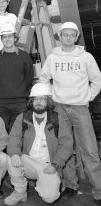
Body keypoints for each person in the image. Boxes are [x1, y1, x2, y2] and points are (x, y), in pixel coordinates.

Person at [40, 21, 101, 205]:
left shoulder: (86, 57)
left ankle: (98, 191)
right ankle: (71, 185)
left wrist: (87, 97)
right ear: (59, 37)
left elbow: (97, 79)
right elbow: (44, 78)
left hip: (80, 108)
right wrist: (52, 95)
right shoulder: (53, 57)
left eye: (71, 35)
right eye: (64, 34)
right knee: (64, 147)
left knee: (90, 150)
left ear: (76, 37)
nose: (67, 38)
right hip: (59, 108)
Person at [4, 83, 73, 205]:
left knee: (50, 197)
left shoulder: (57, 119)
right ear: (31, 101)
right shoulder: (23, 117)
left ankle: (44, 182)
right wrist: (14, 153)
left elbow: (66, 144)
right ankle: (20, 192)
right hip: (28, 161)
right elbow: (13, 138)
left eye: (43, 99)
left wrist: (56, 164)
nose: (39, 102)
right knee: (9, 158)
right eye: (36, 99)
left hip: (48, 165)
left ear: (48, 102)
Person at [0, 23, 33, 133]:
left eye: (10, 36)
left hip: (20, 103)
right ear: (1, 39)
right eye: (4, 37)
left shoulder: (24, 57)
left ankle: (15, 151)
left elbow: (29, 78)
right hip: (0, 104)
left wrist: (20, 91)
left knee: (18, 133)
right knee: (0, 133)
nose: (7, 39)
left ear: (15, 38)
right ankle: (2, 151)